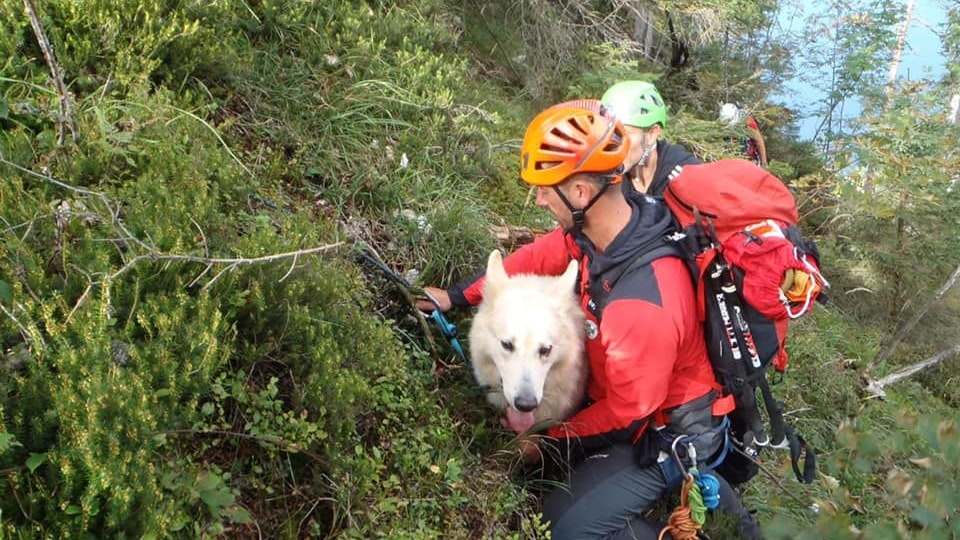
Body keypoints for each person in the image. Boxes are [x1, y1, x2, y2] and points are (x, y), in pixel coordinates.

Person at [419, 100, 762, 539]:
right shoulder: (615, 225)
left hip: (665, 432)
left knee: (563, 529)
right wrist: (456, 296)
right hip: (628, 398)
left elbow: (626, 413)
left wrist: (547, 442)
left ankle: (706, 514)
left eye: (546, 188)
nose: (540, 198)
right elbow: (542, 254)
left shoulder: (642, 302)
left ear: (581, 193)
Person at [599, 80, 701, 196]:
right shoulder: (607, 176)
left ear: (651, 134)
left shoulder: (685, 174)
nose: (612, 143)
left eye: (622, 133)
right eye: (607, 132)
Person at [719, 102, 768, 167]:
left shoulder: (748, 122)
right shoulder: (720, 126)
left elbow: (759, 141)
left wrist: (764, 163)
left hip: (750, 159)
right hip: (731, 158)